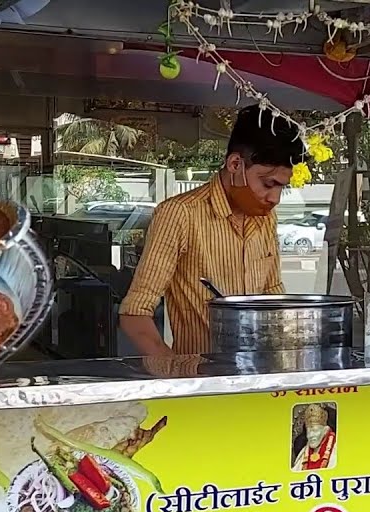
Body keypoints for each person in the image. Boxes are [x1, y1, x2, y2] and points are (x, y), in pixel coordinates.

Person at [119, 105, 307, 356]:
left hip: (261, 379)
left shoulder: (265, 218)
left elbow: (273, 295)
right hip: (202, 381)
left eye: (282, 188)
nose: (275, 198)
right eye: (268, 184)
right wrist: (174, 374)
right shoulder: (180, 214)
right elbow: (135, 313)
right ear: (235, 164)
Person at [292, 403, 337, 471]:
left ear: (325, 430)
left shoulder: (336, 448)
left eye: (315, 431)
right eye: (309, 431)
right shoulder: (304, 452)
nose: (311, 435)